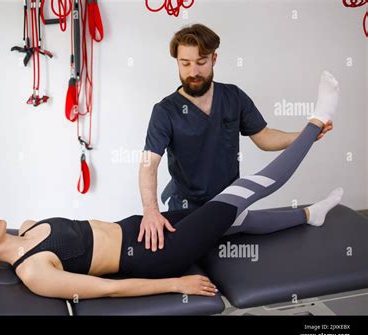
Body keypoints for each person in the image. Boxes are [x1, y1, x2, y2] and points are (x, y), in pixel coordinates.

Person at [0, 71, 341, 300]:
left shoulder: (25, 229)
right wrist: (175, 283)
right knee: (246, 191)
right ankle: (318, 119)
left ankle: (310, 214)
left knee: (238, 220)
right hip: (157, 255)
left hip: (145, 226)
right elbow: (108, 290)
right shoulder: (35, 272)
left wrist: (149, 212)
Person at [138, 23, 334, 252]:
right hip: (186, 207)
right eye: (185, 63)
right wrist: (150, 210)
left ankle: (310, 212)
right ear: (177, 62)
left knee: (240, 218)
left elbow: (264, 137)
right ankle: (309, 213)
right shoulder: (165, 111)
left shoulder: (233, 96)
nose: (193, 72)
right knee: (235, 225)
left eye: (201, 62)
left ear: (214, 59)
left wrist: (302, 137)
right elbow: (148, 164)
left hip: (229, 199)